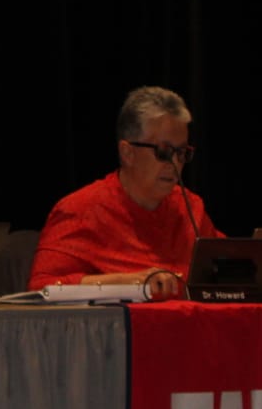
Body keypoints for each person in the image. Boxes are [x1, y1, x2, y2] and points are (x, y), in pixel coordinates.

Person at [28, 85, 223, 296]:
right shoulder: (81, 210)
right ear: (127, 153)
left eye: (182, 152)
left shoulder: (191, 208)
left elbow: (231, 270)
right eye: (164, 152)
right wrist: (128, 283)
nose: (175, 163)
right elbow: (41, 289)